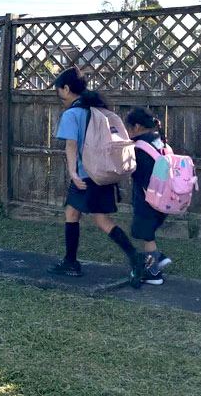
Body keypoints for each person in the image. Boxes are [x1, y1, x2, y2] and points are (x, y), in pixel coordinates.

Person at [51, 67, 144, 287]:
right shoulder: (98, 109)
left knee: (82, 215)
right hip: (104, 173)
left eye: (59, 92)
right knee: (88, 216)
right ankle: (133, 257)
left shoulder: (72, 114)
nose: (60, 97)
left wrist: (73, 173)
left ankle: (72, 263)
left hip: (85, 175)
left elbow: (71, 145)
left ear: (67, 89)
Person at [126, 107, 173, 285]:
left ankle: (154, 271)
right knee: (148, 234)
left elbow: (138, 174)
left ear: (137, 126)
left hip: (148, 199)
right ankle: (156, 262)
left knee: (147, 235)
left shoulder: (139, 147)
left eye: (129, 127)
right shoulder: (160, 141)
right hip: (165, 197)